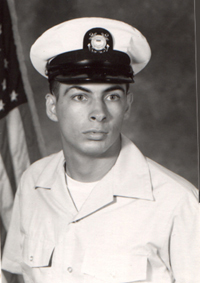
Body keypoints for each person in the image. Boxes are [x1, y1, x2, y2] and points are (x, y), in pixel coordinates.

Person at [2, 17, 200, 283]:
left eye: (112, 96)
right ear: (52, 107)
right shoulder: (33, 183)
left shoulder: (177, 202)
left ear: (127, 106)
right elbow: (14, 275)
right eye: (80, 96)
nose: (99, 113)